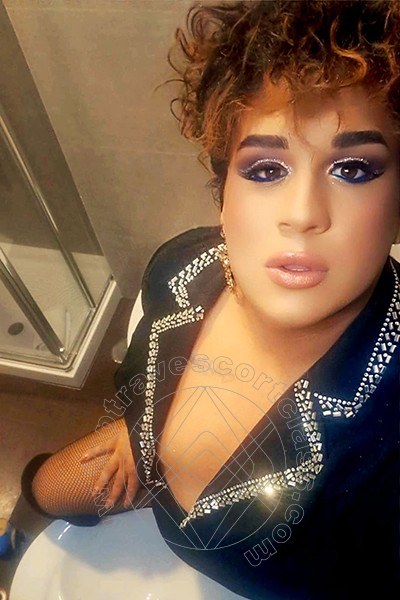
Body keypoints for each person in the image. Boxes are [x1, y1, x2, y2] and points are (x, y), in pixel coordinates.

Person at [25, 1, 399, 598]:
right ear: (224, 191)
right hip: (149, 485)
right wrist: (143, 426)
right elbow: (139, 373)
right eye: (266, 170)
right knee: (42, 491)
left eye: (353, 169)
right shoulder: (181, 265)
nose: (303, 214)